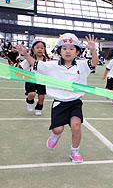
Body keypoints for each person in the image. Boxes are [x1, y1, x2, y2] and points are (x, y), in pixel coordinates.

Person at [17, 33, 98, 163]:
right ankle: (55, 135)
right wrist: (25, 54)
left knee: (76, 126)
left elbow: (94, 62)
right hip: (59, 103)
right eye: (64, 48)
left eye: (72, 48)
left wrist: (93, 49)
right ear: (59, 51)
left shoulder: (82, 65)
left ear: (77, 51)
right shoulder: (52, 65)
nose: (68, 51)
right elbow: (36, 64)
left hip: (75, 102)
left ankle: (75, 151)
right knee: (57, 128)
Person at [19, 38, 49, 116]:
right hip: (30, 79)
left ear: (44, 49)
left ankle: (38, 108)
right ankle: (29, 101)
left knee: (41, 97)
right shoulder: (29, 59)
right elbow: (20, 67)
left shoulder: (47, 61)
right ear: (33, 49)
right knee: (31, 94)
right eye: (37, 47)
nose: (40, 49)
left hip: (42, 80)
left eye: (42, 48)